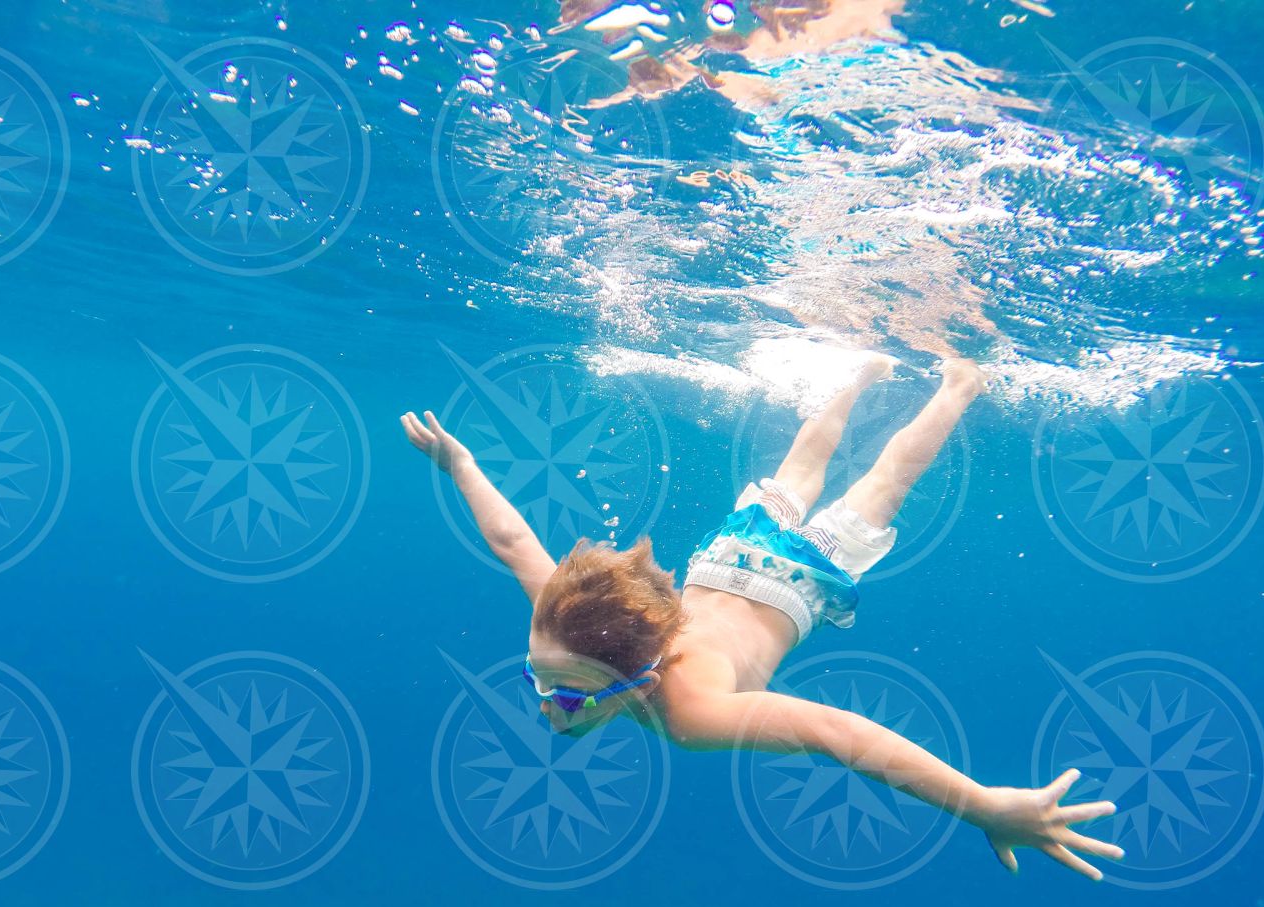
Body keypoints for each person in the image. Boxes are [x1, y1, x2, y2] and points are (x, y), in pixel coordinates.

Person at [401, 356, 1124, 880]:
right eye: (538, 679)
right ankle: (859, 374)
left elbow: (840, 734)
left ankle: (959, 382)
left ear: (637, 678)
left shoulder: (691, 712)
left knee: (883, 480)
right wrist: (460, 463)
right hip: (727, 558)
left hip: (795, 585)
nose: (544, 709)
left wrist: (982, 805)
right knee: (803, 464)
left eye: (566, 697)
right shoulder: (568, 625)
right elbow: (512, 542)